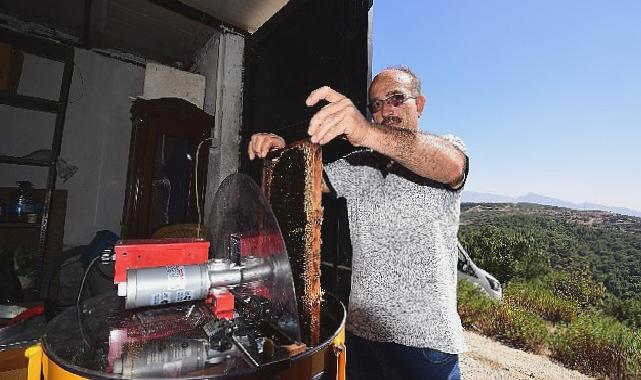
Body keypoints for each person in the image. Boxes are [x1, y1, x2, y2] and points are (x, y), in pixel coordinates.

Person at [248, 66, 468, 380]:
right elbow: (304, 179)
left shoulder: (443, 148)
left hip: (425, 345)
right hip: (361, 336)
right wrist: (279, 150)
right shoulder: (358, 165)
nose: (385, 110)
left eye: (396, 99)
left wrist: (365, 131)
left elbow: (452, 166)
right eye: (376, 105)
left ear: (419, 105)